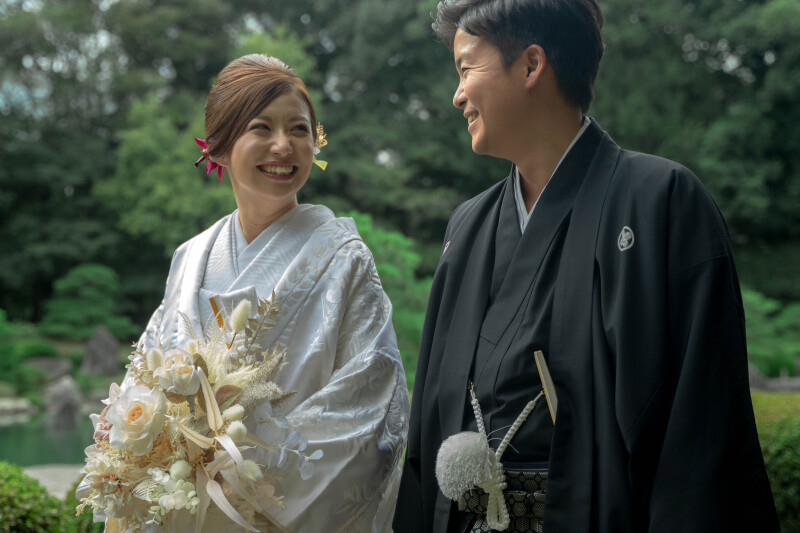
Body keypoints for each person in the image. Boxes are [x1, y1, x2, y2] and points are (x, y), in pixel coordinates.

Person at [393, 1, 778, 532]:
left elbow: (703, 434)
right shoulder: (468, 226)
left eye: (466, 69)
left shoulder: (660, 201)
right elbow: (428, 425)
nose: (457, 95)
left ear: (532, 65)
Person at [83, 54, 409, 532]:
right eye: (262, 127)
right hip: (180, 504)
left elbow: (370, 403)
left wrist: (235, 477)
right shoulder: (190, 258)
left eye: (299, 130)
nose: (284, 145)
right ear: (218, 147)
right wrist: (154, 460)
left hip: (275, 511)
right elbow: (145, 372)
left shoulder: (343, 258)